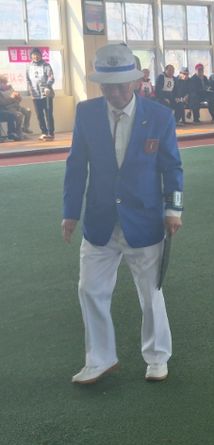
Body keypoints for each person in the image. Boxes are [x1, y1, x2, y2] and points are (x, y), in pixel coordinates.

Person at [62, 44, 184, 385]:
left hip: (145, 220)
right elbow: (76, 166)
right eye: (106, 86)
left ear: (136, 81)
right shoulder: (86, 113)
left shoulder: (160, 116)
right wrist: (70, 213)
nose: (114, 93)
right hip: (99, 221)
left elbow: (172, 167)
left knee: (151, 293)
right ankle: (100, 359)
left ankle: (157, 357)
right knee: (90, 290)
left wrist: (173, 209)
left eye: (120, 85)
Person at [26, 47, 55, 141]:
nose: (36, 56)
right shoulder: (28, 67)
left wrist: (47, 86)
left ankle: (50, 133)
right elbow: (28, 80)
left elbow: (51, 77)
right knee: (39, 115)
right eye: (34, 55)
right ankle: (44, 132)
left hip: (46, 94)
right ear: (31, 56)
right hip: (35, 95)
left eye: (37, 54)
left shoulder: (46, 65)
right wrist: (30, 91)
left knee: (48, 114)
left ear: (41, 55)